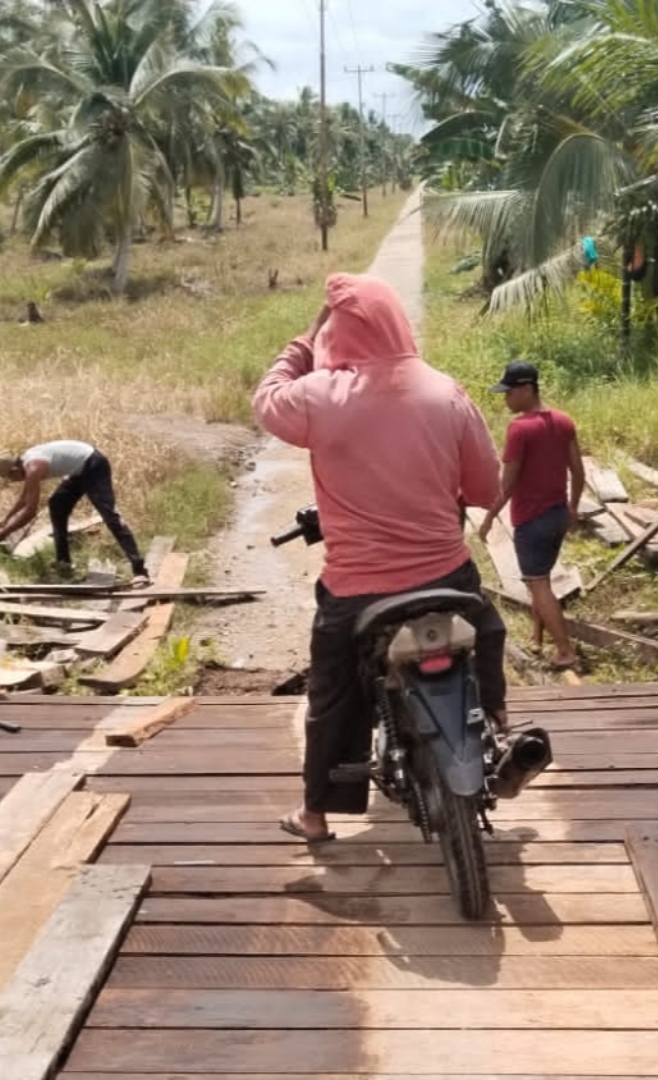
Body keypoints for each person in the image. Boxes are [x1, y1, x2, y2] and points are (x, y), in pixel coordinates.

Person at [253, 272, 508, 843]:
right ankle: (497, 723)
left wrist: (303, 343)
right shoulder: (445, 392)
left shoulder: (319, 397)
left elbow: (266, 400)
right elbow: (486, 489)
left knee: (333, 694)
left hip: (357, 590)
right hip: (446, 575)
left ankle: (316, 814)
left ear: (338, 333)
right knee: (487, 632)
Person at [477, 359, 584, 671]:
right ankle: (537, 637)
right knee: (541, 579)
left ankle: (565, 652)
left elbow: (508, 483)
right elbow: (578, 472)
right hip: (557, 515)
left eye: (509, 392)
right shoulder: (563, 421)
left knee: (537, 583)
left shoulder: (520, 429)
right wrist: (573, 507)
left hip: (532, 520)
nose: (506, 399)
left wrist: (489, 517)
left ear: (526, 389)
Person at [0, 441, 151, 586]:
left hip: (93, 464)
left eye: (11, 479)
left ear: (15, 470)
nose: (14, 482)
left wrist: (4, 533)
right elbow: (24, 498)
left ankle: (139, 570)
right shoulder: (27, 462)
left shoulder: (33, 469)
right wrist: (6, 519)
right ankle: (64, 564)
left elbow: (30, 511)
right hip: (78, 469)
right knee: (57, 505)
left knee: (109, 515)